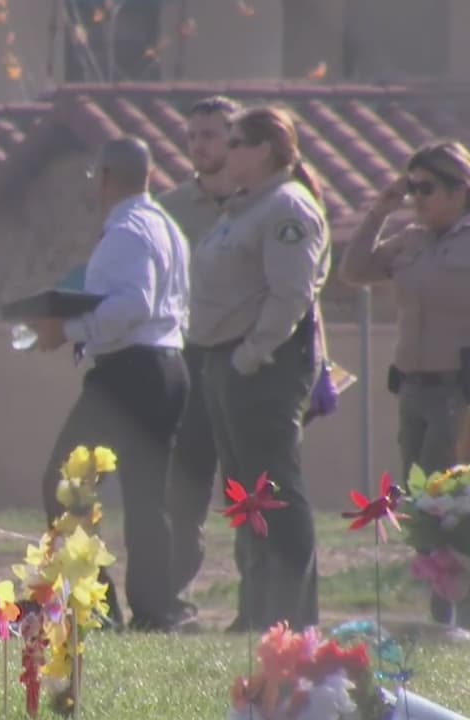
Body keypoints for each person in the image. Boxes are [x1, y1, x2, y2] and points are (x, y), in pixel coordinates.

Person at [27, 136, 191, 632]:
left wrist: (67, 330)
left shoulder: (126, 229)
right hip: (166, 366)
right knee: (146, 498)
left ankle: (95, 603)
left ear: (105, 177)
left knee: (65, 484)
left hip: (129, 372)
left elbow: (132, 305)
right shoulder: (166, 226)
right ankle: (155, 612)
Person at [190, 106, 330, 632]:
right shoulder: (245, 207)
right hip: (224, 360)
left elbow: (292, 292)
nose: (228, 151)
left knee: (275, 487)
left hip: (263, 364)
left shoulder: (287, 208)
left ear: (267, 149)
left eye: (238, 142)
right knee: (244, 490)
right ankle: (258, 610)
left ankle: (292, 617)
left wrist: (252, 352)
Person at [339, 139, 470, 628]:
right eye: (411, 188)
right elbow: (353, 272)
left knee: (450, 495)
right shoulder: (411, 240)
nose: (417, 198)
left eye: (428, 188)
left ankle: (454, 608)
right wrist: (380, 209)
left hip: (459, 389)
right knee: (420, 495)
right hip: (414, 387)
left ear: (461, 190)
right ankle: (444, 605)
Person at [158, 95, 241, 613]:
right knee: (182, 487)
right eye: (192, 136)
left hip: (243, 360)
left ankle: (264, 602)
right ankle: (173, 596)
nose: (199, 145)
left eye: (211, 134)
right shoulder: (168, 208)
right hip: (187, 362)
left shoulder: (261, 203)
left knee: (251, 487)